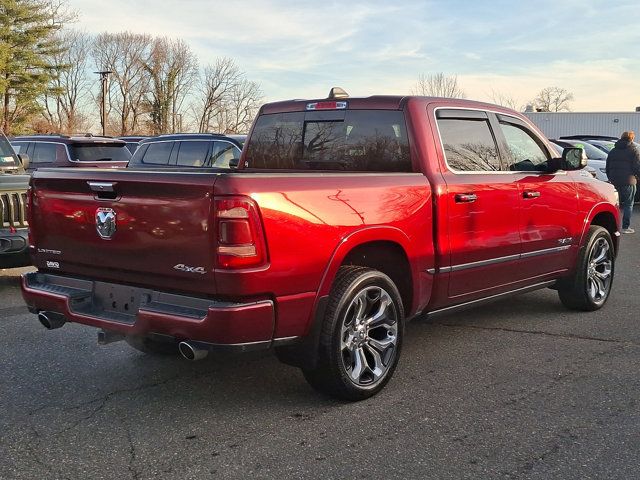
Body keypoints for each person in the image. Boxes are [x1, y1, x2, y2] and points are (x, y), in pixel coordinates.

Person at [606, 131, 640, 233]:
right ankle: (625, 227)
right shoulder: (634, 150)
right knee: (628, 204)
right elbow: (637, 167)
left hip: (614, 181)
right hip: (629, 181)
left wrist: (611, 177)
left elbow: (607, 167)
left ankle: (613, 227)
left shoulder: (613, 151)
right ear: (632, 139)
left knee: (615, 204)